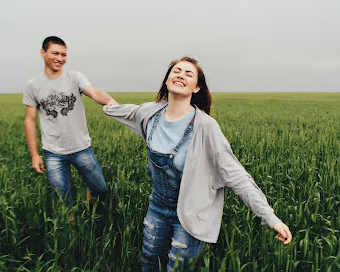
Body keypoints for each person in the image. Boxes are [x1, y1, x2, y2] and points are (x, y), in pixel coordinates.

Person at [104, 56, 292, 271]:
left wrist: (270, 217)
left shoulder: (206, 127)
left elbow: (235, 174)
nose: (181, 75)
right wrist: (106, 105)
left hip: (192, 213)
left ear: (196, 88)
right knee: (148, 260)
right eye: (176, 71)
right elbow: (122, 110)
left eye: (188, 73)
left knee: (177, 268)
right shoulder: (150, 113)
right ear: (167, 80)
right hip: (157, 205)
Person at [23, 36, 117, 214]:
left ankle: (89, 213)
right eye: (55, 53)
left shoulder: (75, 77)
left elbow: (94, 93)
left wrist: (112, 103)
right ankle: (71, 234)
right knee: (62, 201)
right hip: (53, 153)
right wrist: (34, 155)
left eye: (64, 54)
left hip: (81, 147)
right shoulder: (33, 85)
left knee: (101, 190)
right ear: (43, 53)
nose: (60, 58)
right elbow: (29, 120)